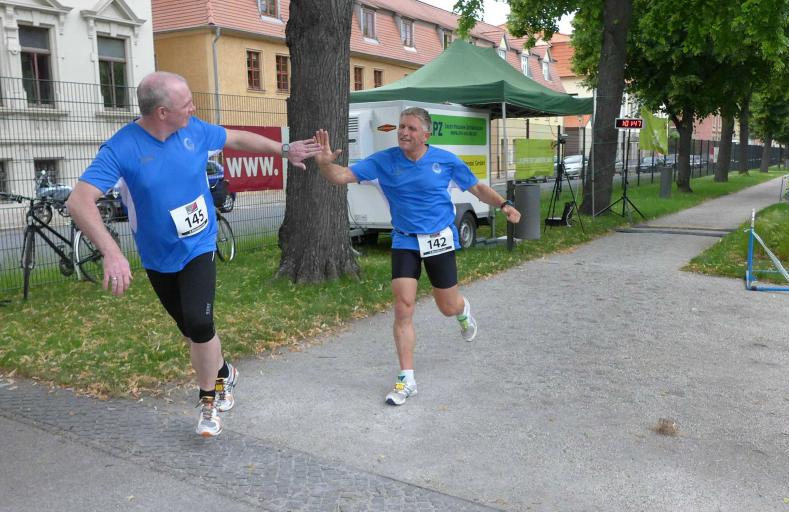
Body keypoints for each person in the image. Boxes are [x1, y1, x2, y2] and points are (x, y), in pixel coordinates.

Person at [66, 71, 322, 437]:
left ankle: (208, 400)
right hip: (158, 254)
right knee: (189, 330)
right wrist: (111, 252)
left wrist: (284, 149)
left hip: (200, 242)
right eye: (186, 104)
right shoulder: (122, 148)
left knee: (200, 324)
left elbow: (237, 138)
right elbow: (79, 201)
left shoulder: (194, 130)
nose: (194, 108)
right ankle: (224, 372)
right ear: (162, 113)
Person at [314, 107, 521, 406]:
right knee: (403, 307)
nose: (403, 132)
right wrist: (324, 164)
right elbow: (341, 175)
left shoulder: (445, 161)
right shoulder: (384, 161)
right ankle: (406, 379)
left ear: (426, 134)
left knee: (447, 306)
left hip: (438, 239)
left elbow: (476, 187)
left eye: (411, 128)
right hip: (405, 240)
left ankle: (462, 311)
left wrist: (504, 205)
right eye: (401, 127)